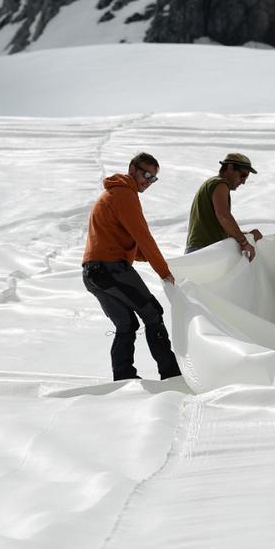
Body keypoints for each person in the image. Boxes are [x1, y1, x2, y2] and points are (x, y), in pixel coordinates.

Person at [82, 152, 181, 381]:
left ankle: (123, 377)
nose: (148, 181)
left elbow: (121, 241)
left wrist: (145, 257)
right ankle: (171, 374)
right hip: (110, 269)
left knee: (126, 323)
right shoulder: (125, 194)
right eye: (146, 174)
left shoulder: (112, 193)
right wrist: (164, 272)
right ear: (132, 168)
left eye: (153, 178)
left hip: (93, 274)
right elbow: (143, 236)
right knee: (152, 313)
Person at [185, 153, 263, 257]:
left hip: (199, 250)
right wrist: (244, 243)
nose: (243, 181)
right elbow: (224, 216)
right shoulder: (220, 184)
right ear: (230, 167)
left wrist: (247, 236)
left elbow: (221, 226)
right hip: (205, 250)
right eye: (243, 175)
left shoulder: (210, 184)